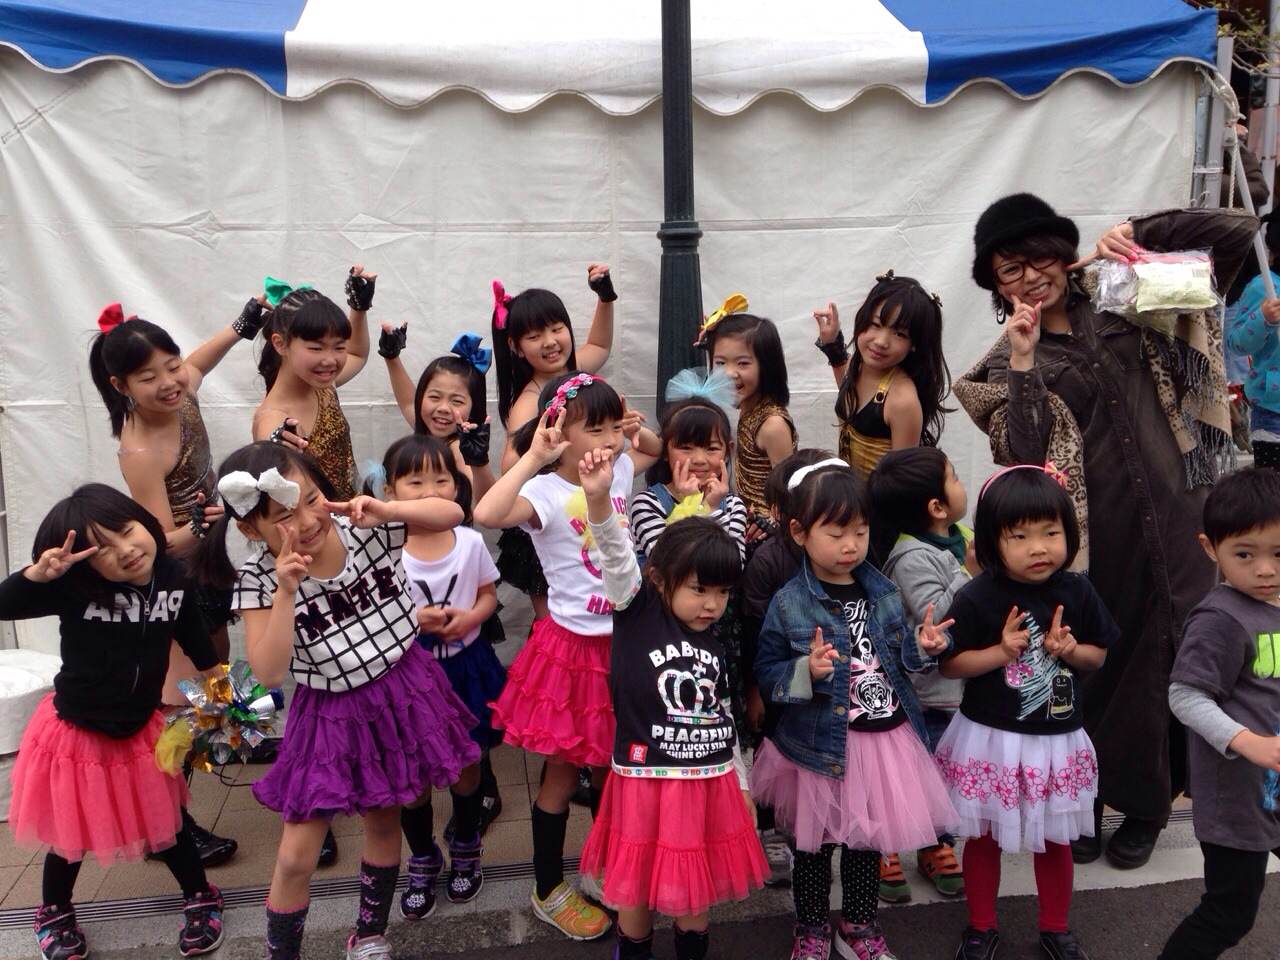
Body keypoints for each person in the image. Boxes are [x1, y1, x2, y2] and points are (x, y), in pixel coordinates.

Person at [954, 194, 1257, 868]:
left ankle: (1149, 805)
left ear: (1064, 254)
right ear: (998, 289)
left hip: (1179, 513)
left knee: (1177, 656)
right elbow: (1023, 453)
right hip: (1096, 535)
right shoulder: (1001, 365)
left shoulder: (1129, 293)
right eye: (1009, 271)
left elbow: (1234, 235)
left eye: (1039, 258)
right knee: (1098, 664)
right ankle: (1085, 800)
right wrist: (1026, 364)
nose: (1030, 277)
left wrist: (1139, 231)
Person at [193, 442, 479, 960]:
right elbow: (268, 671)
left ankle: (369, 935)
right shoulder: (260, 578)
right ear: (250, 529)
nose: (306, 521)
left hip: (401, 691)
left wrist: (387, 509)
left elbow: (453, 513)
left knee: (385, 821)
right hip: (328, 713)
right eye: (283, 516)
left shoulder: (365, 528)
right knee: (295, 854)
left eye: (311, 499)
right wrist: (286, 592)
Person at [6, 485, 225, 959]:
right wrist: (36, 576)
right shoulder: (74, 587)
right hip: (76, 734)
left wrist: (221, 687)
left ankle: (201, 895)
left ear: (144, 523)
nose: (125, 550)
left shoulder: (173, 575)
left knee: (167, 822)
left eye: (127, 531)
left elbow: (193, 634)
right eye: (102, 548)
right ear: (84, 563)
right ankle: (54, 910)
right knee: (70, 833)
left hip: (140, 729)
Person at [474, 372, 657, 941]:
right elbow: (487, 513)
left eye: (611, 426)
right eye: (594, 428)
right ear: (559, 431)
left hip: (625, 643)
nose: (608, 439)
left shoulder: (618, 468)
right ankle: (548, 888)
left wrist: (634, 428)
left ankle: (602, 871)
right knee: (560, 772)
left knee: (613, 767)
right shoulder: (546, 493)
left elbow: (654, 450)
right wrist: (534, 456)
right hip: (572, 651)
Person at [753, 460, 956, 960]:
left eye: (860, 532)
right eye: (837, 532)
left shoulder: (882, 591)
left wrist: (922, 645)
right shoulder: (789, 602)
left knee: (867, 843)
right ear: (799, 532)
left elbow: (897, 658)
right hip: (818, 745)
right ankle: (812, 929)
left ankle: (859, 928)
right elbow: (767, 671)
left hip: (883, 739)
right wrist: (805, 671)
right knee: (813, 847)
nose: (851, 545)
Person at [88, 302, 262, 866]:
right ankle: (165, 830)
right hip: (173, 575)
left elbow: (201, 360)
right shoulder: (140, 450)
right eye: (149, 376)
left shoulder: (180, 390)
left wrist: (243, 324)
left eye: (170, 365)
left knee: (217, 666)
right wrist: (205, 522)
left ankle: (229, 737)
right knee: (180, 701)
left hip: (207, 561)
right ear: (120, 386)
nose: (170, 381)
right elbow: (157, 543)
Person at [577, 449, 768, 960]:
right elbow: (615, 552)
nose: (712, 604)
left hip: (707, 783)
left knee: (694, 894)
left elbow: (722, 716)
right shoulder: (637, 609)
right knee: (635, 889)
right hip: (645, 779)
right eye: (699, 589)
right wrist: (598, 498)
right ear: (661, 580)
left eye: (722, 592)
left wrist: (741, 783)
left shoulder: (712, 641)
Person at [934, 466, 1115, 960]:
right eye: (1020, 536)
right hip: (991, 737)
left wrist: (1072, 651)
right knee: (984, 837)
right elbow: (950, 665)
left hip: (1056, 740)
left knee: (1055, 839)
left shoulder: (1078, 590)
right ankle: (980, 927)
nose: (1039, 548)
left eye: (1050, 532)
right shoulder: (978, 595)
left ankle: (1056, 928)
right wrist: (1000, 653)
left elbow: (1099, 656)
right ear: (992, 541)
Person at [364, 434, 505, 918]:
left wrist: (472, 618)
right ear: (389, 491)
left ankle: (467, 845)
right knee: (413, 777)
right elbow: (372, 618)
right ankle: (422, 857)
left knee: (468, 766)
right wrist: (412, 622)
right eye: (415, 481)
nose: (430, 491)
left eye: (441, 480)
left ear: (456, 484)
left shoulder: (469, 541)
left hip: (466, 669)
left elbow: (487, 594)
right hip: (406, 679)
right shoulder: (381, 551)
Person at [1160, 467, 1280, 959]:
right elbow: (1184, 697)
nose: (1266, 570)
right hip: (1236, 797)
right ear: (1211, 548)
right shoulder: (1220, 619)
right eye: (1245, 554)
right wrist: (1248, 742)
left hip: (1271, 784)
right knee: (1229, 912)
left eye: (1279, 553)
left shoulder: (1272, 605)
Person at [869, 447, 975, 902]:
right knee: (909, 774)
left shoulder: (957, 539)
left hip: (957, 691)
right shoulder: (911, 557)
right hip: (925, 694)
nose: (961, 485)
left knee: (944, 775)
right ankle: (885, 846)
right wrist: (971, 572)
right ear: (936, 506)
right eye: (954, 477)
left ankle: (936, 844)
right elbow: (943, 617)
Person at [491, 267, 617, 624]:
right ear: (515, 347)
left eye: (557, 329)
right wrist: (541, 448)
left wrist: (605, 298)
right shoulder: (528, 402)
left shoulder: (577, 372)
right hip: (548, 521)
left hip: (589, 509)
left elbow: (600, 346)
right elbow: (508, 467)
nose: (549, 341)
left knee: (595, 605)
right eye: (535, 336)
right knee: (555, 623)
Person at [739, 449, 832, 891]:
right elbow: (753, 633)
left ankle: (812, 831)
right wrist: (754, 691)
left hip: (827, 680)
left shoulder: (842, 553)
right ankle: (772, 831)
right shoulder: (769, 561)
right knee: (772, 751)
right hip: (778, 678)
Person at [812, 272, 950, 479]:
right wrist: (832, 343)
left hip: (878, 498)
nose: (881, 341)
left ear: (914, 344)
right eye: (876, 324)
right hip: (846, 493)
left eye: (900, 334)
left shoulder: (902, 401)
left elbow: (902, 481)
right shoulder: (858, 368)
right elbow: (847, 387)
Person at [252, 269, 375, 501]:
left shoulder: (323, 386)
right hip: (318, 522)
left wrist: (358, 308)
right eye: (316, 348)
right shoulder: (274, 417)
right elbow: (272, 456)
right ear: (280, 344)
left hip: (354, 516)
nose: (330, 360)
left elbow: (357, 354)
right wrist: (274, 449)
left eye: (339, 347)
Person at [629, 375, 746, 565]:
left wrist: (712, 508)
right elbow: (670, 564)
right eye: (685, 448)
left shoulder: (733, 506)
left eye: (712, 448)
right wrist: (692, 505)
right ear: (665, 451)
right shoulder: (647, 504)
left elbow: (732, 566)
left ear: (728, 452)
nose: (699, 460)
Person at [701, 306, 797, 528]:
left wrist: (767, 528)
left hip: (764, 533)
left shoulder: (772, 425)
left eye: (743, 363)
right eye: (720, 363)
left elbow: (788, 493)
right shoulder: (748, 407)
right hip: (742, 520)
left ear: (767, 366)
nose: (729, 373)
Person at [378, 325, 497, 499]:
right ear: (421, 397)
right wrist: (392, 357)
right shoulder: (429, 430)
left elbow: (485, 502)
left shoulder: (458, 448)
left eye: (457, 401)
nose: (443, 408)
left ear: (473, 408)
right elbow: (408, 403)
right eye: (434, 397)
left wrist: (479, 463)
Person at [1225, 212, 1280, 469]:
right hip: (1273, 414)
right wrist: (1263, 318)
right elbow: (1236, 343)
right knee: (1271, 488)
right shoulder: (1264, 287)